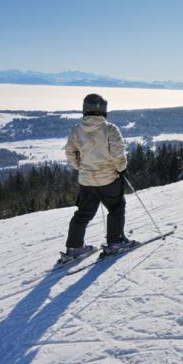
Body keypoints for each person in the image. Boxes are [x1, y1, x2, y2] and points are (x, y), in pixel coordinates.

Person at [64, 93, 134, 258]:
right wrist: (121, 169)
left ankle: (74, 248)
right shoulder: (110, 129)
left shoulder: (76, 130)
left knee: (83, 213)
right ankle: (115, 242)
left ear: (85, 109)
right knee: (116, 208)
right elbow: (118, 154)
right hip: (108, 179)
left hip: (86, 181)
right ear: (104, 110)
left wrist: (80, 168)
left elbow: (70, 153)